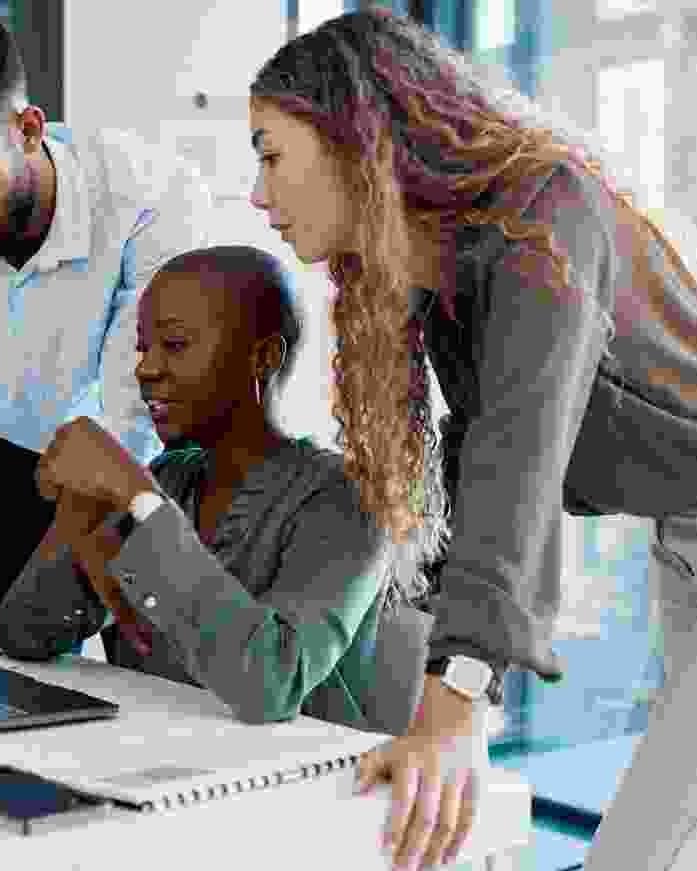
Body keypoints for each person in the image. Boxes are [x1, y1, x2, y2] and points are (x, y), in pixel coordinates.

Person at [245, 8, 697, 871]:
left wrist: (457, 702)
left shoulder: (545, 217)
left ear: (353, 138)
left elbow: (516, 459)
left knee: (641, 847)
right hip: (682, 527)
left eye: (270, 156)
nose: (259, 195)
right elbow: (474, 452)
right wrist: (432, 659)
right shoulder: (453, 265)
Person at [0, 245, 439, 739]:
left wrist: (138, 499)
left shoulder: (344, 498)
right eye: (143, 348)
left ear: (262, 357)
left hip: (294, 782)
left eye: (176, 345)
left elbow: (272, 682)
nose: (146, 368)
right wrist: (75, 510)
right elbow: (30, 633)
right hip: (158, 760)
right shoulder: (169, 478)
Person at [0, 9, 211, 614]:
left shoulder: (149, 199)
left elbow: (133, 424)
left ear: (28, 130)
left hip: (144, 467)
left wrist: (24, 612)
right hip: (6, 458)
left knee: (146, 663)